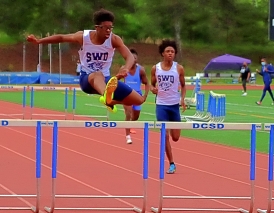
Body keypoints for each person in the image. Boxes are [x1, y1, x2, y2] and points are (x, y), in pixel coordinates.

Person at [26, 8, 144, 113]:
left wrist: (126, 68)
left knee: (138, 100)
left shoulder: (114, 39)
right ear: (97, 28)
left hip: (106, 80)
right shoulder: (83, 37)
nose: (109, 31)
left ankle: (110, 100)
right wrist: (39, 41)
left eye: (111, 28)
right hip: (87, 79)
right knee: (98, 74)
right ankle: (106, 96)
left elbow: (129, 56)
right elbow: (62, 37)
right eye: (106, 28)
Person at [150, 39, 186, 174]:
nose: (170, 53)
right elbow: (151, 84)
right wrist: (153, 89)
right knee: (164, 136)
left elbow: (183, 85)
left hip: (174, 105)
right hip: (161, 105)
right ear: (162, 54)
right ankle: (171, 163)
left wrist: (182, 99)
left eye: (172, 51)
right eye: (168, 51)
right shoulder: (156, 68)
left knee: (175, 137)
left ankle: (171, 128)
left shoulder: (179, 68)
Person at [123, 48, 150, 144]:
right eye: (132, 58)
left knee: (135, 116)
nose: (133, 60)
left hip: (137, 95)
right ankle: (127, 136)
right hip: (126, 95)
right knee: (128, 113)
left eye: (135, 58)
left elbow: (147, 83)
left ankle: (129, 126)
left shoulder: (141, 70)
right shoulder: (124, 69)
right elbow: (115, 81)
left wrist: (145, 96)